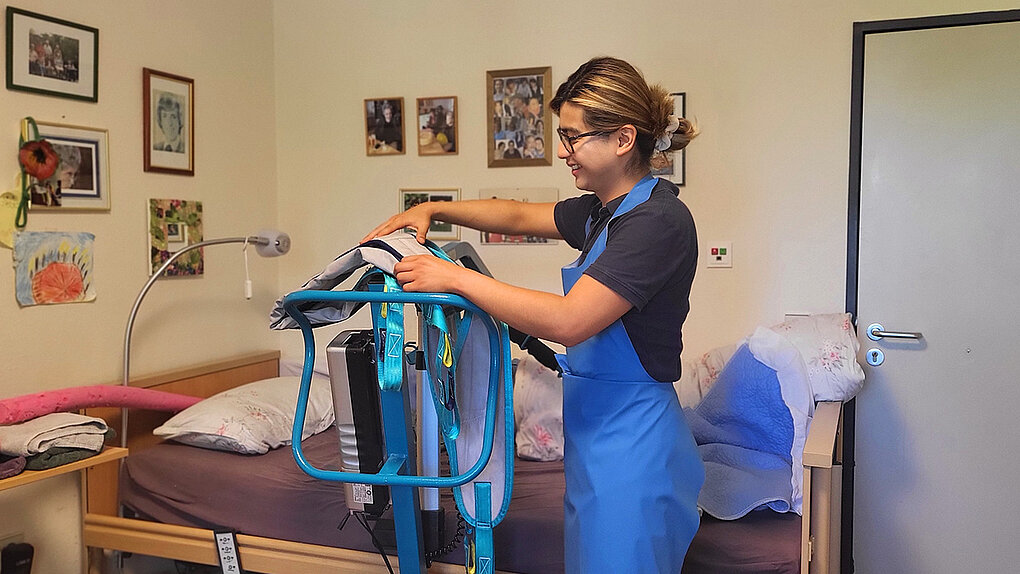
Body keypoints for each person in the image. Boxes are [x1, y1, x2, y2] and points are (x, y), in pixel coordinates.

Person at [363, 56, 702, 573]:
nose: (563, 151)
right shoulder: (604, 210)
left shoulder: (656, 221)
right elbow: (519, 214)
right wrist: (434, 208)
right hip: (595, 435)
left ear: (623, 138)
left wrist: (455, 279)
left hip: (633, 443)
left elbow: (569, 321)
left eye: (572, 137)